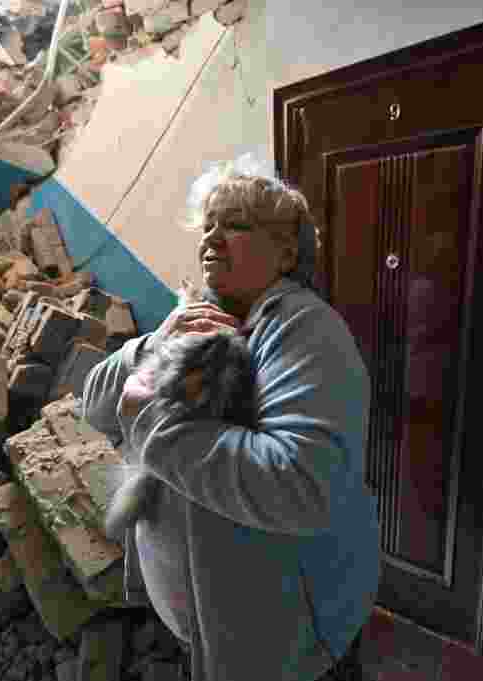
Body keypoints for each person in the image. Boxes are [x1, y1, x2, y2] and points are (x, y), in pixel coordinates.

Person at [82, 162, 381, 681]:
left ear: (286, 252)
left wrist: (147, 415)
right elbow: (94, 405)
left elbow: (299, 486)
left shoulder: (304, 331)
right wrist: (154, 343)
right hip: (208, 625)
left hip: (282, 641)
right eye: (209, 226)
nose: (213, 238)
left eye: (237, 225)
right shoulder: (197, 318)